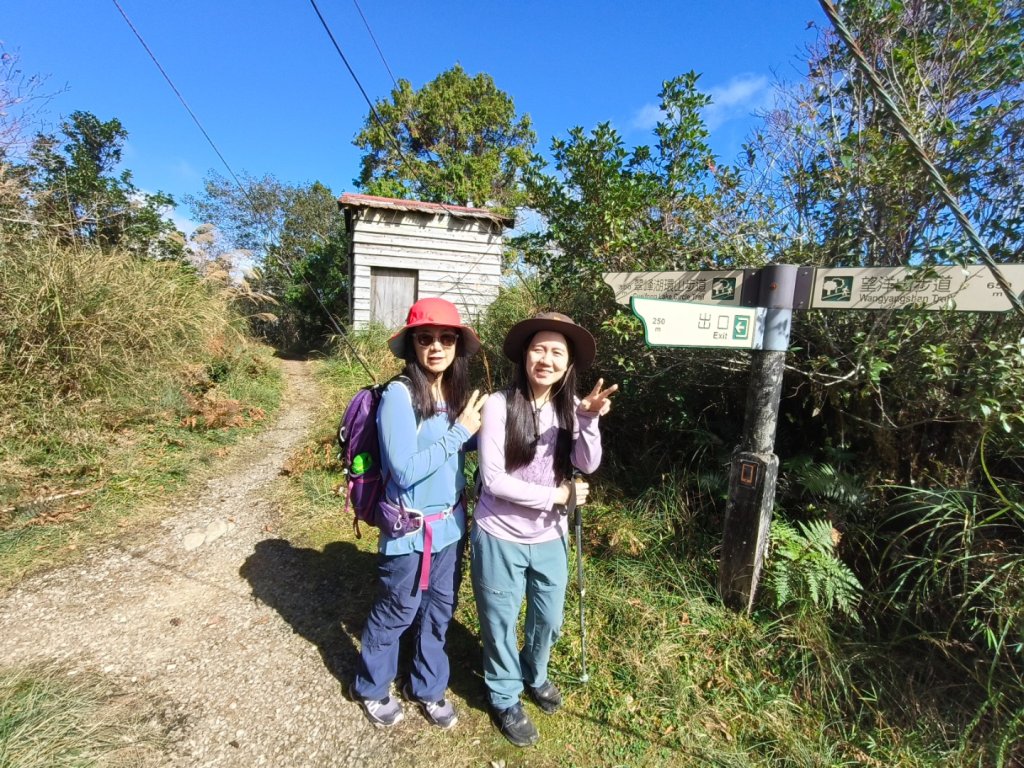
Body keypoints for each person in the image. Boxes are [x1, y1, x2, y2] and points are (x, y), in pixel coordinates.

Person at [471, 311, 617, 747]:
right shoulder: (499, 405)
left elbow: (588, 464)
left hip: (549, 537)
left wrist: (589, 420)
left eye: (557, 351)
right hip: (498, 533)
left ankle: (535, 673)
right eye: (539, 349)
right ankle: (504, 695)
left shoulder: (571, 409)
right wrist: (557, 496)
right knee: (499, 621)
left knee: (548, 619)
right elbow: (493, 479)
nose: (546, 358)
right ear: (524, 355)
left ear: (568, 363)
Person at [350, 297, 488, 730]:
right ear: (412, 345)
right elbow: (405, 470)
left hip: (450, 527)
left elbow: (459, 447)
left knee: (439, 610)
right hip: (409, 530)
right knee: (398, 609)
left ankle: (427, 686)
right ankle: (372, 686)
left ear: (457, 347)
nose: (436, 347)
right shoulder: (399, 395)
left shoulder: (454, 394)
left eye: (446, 339)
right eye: (425, 338)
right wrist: (461, 432)